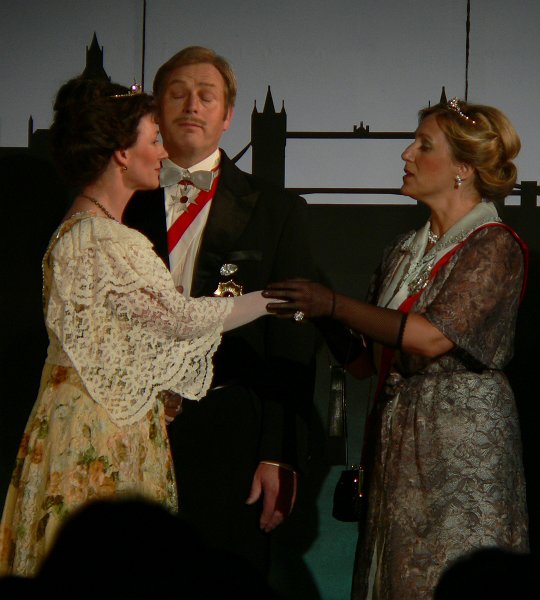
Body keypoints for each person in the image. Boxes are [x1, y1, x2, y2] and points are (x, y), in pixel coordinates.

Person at [0, 76, 278, 578]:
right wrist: (270, 300)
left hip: (82, 417)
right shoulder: (104, 238)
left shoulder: (83, 229)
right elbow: (178, 319)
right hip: (99, 429)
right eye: (154, 139)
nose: (163, 152)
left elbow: (122, 341)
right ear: (122, 154)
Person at [264, 98, 530, 599]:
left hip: (460, 450)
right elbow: (366, 364)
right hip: (397, 443)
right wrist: (316, 308)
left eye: (423, 146)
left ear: (463, 168)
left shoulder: (493, 245)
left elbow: (431, 337)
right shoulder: (401, 251)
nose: (407, 154)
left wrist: (333, 303)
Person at [123, 46, 316, 582]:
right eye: (178, 94)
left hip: (229, 434)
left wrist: (279, 451)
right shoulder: (117, 202)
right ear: (156, 110)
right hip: (127, 428)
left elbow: (292, 338)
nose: (192, 106)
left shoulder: (277, 209)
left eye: (206, 96)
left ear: (228, 115)